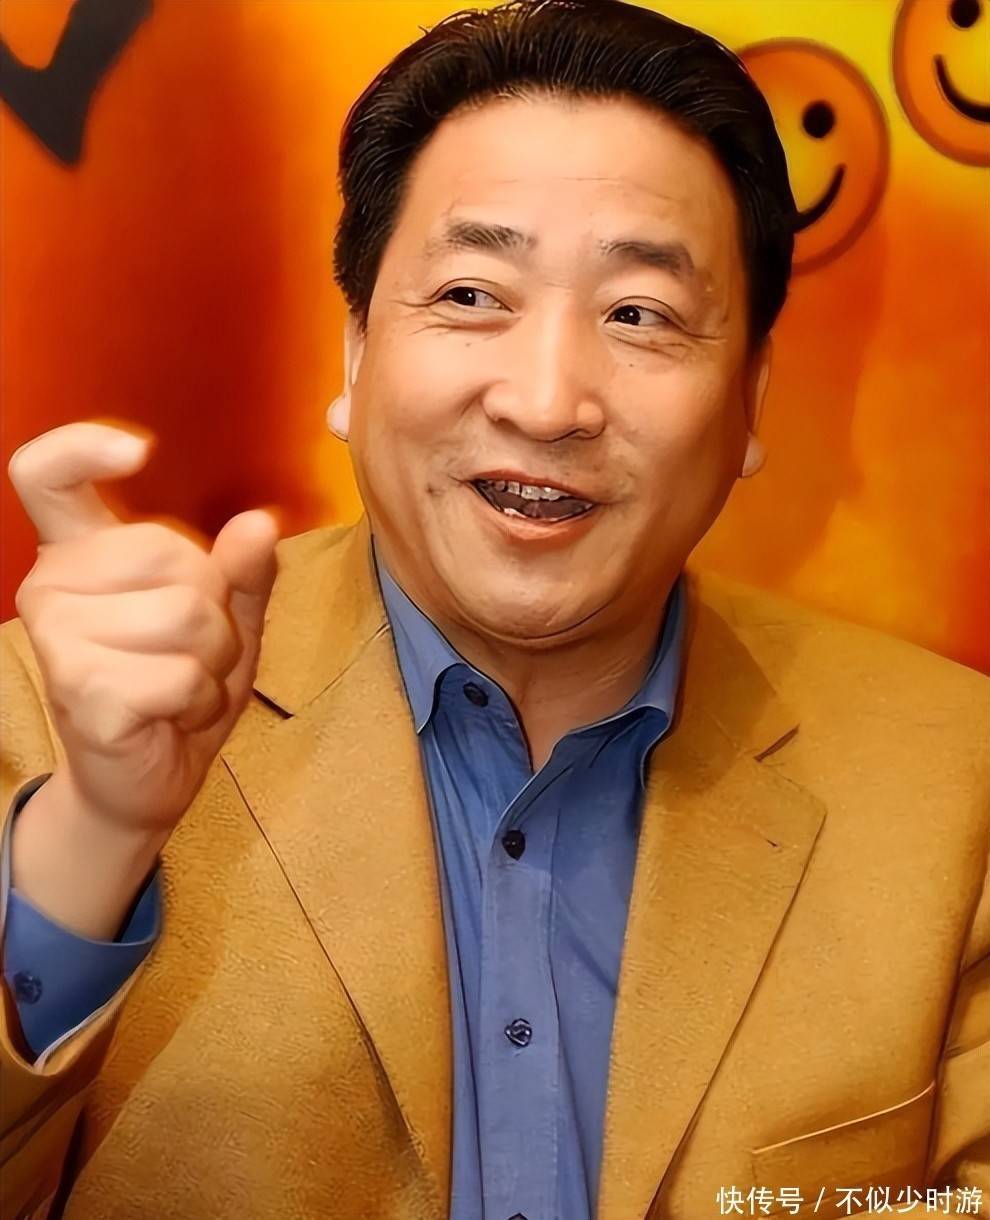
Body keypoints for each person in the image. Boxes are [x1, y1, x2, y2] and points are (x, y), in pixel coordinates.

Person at [1, 0, 987, 1216]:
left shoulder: (954, 782)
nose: (547, 400)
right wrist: (96, 835)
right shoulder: (50, 713)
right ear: (355, 353)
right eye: (472, 294)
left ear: (750, 401)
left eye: (639, 314)